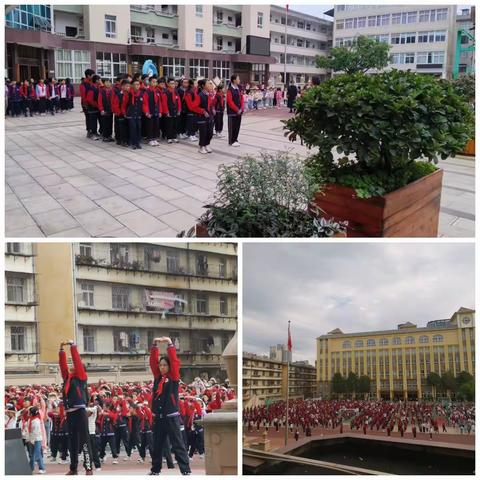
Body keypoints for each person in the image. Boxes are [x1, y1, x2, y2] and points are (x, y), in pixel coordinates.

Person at [149, 336, 191, 476]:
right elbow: (152, 363)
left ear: (169, 367)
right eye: (160, 365)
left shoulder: (173, 377)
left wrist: (170, 344)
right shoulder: (157, 378)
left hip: (171, 416)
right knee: (157, 445)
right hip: (159, 417)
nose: (162, 367)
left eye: (165, 365)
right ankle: (155, 470)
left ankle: (185, 470)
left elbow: (174, 361)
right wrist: (154, 345)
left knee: (178, 444)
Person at [59, 340, 93, 475]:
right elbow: (62, 366)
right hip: (70, 413)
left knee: (84, 441)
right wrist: (61, 349)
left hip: (80, 412)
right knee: (72, 442)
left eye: (74, 366)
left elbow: (77, 360)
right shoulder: (67, 378)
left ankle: (88, 467)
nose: (72, 366)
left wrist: (72, 346)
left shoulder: (81, 377)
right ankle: (73, 468)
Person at [122, 79, 149, 150]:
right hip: (130, 114)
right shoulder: (128, 94)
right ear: (132, 86)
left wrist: (146, 112)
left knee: (138, 128)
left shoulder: (142, 93)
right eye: (135, 84)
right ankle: (133, 143)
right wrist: (124, 112)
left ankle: (138, 143)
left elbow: (145, 104)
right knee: (133, 128)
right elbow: (124, 104)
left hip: (139, 114)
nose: (137, 86)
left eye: (138, 84)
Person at [193, 79, 215, 154]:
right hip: (202, 117)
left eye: (210, 84)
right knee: (203, 133)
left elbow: (211, 104)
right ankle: (201, 147)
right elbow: (194, 107)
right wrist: (203, 111)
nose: (210, 85)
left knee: (210, 132)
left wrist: (213, 109)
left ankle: (207, 144)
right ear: (203, 86)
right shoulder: (199, 95)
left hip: (210, 116)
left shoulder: (209, 94)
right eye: (208, 84)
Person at [27, 405, 46, 474]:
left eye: (29, 412)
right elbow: (28, 430)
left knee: (36, 454)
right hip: (31, 439)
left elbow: (36, 432)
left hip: (37, 439)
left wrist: (32, 440)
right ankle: (35, 468)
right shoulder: (30, 419)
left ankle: (38, 468)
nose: (28, 413)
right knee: (33, 454)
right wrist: (28, 438)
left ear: (32, 413)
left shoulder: (36, 420)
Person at [162, 78, 181, 144]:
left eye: (174, 83)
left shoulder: (176, 91)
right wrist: (166, 112)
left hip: (175, 110)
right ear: (168, 84)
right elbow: (164, 103)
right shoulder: (166, 92)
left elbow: (178, 101)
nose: (173, 85)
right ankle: (169, 137)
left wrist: (179, 110)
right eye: (172, 83)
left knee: (175, 124)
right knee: (169, 125)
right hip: (169, 111)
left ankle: (174, 136)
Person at [226, 74, 244, 147]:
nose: (239, 80)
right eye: (238, 79)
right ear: (234, 80)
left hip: (239, 111)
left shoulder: (238, 88)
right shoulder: (230, 89)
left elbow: (242, 98)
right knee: (232, 126)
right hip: (232, 112)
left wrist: (242, 108)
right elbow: (230, 102)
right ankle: (231, 141)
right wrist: (237, 109)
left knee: (237, 126)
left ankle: (235, 139)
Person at [144, 75, 162, 146]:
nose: (155, 83)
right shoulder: (147, 91)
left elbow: (159, 102)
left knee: (156, 125)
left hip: (156, 111)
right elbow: (145, 103)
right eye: (153, 82)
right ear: (149, 82)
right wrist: (147, 112)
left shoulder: (157, 91)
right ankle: (150, 139)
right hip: (150, 112)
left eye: (156, 82)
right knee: (150, 126)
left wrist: (160, 111)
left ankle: (154, 138)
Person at [98, 78, 114, 142]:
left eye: (109, 82)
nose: (108, 83)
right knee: (105, 123)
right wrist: (101, 109)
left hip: (110, 110)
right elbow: (99, 101)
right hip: (104, 110)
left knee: (110, 123)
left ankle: (109, 135)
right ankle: (105, 136)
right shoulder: (101, 91)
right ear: (104, 83)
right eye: (106, 82)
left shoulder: (112, 91)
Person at [80, 69, 95, 137]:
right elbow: (83, 95)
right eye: (93, 75)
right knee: (88, 117)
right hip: (86, 104)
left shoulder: (92, 82)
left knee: (92, 117)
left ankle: (93, 130)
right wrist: (85, 104)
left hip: (92, 103)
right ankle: (89, 131)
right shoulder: (84, 84)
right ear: (88, 76)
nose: (94, 76)